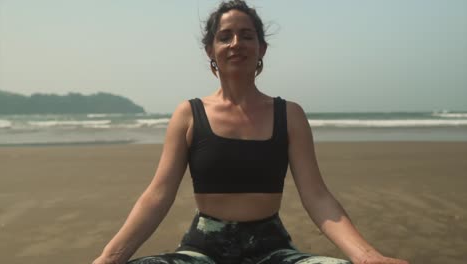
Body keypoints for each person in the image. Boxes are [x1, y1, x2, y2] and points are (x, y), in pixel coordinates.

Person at [93, 1, 409, 263]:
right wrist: (110, 257)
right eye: (225, 36)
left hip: (272, 249)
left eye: (246, 36)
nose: (236, 44)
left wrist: (367, 257)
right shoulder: (189, 114)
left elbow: (317, 197)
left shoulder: (290, 115)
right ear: (210, 49)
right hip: (203, 249)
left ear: (262, 48)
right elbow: (158, 195)